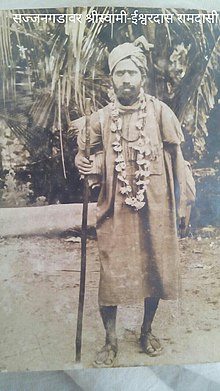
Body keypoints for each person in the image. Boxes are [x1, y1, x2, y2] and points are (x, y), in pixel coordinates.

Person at [74, 37, 187, 367]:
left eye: (131, 72)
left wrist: (183, 202)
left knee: (155, 269)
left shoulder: (159, 111)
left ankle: (146, 330)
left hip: (157, 203)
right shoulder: (100, 119)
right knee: (112, 273)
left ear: (142, 76)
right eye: (119, 73)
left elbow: (177, 156)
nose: (126, 79)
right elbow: (85, 155)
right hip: (115, 206)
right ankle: (110, 341)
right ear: (112, 79)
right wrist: (84, 162)